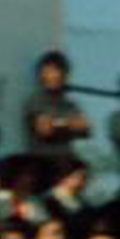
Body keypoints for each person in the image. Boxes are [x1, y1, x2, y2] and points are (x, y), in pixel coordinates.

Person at [21, 51, 91, 179]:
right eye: (46, 72)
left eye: (54, 71)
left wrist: (56, 124)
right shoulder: (35, 101)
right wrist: (70, 125)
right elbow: (45, 130)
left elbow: (86, 130)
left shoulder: (70, 104)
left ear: (64, 75)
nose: (50, 76)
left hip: (66, 166)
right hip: (42, 166)